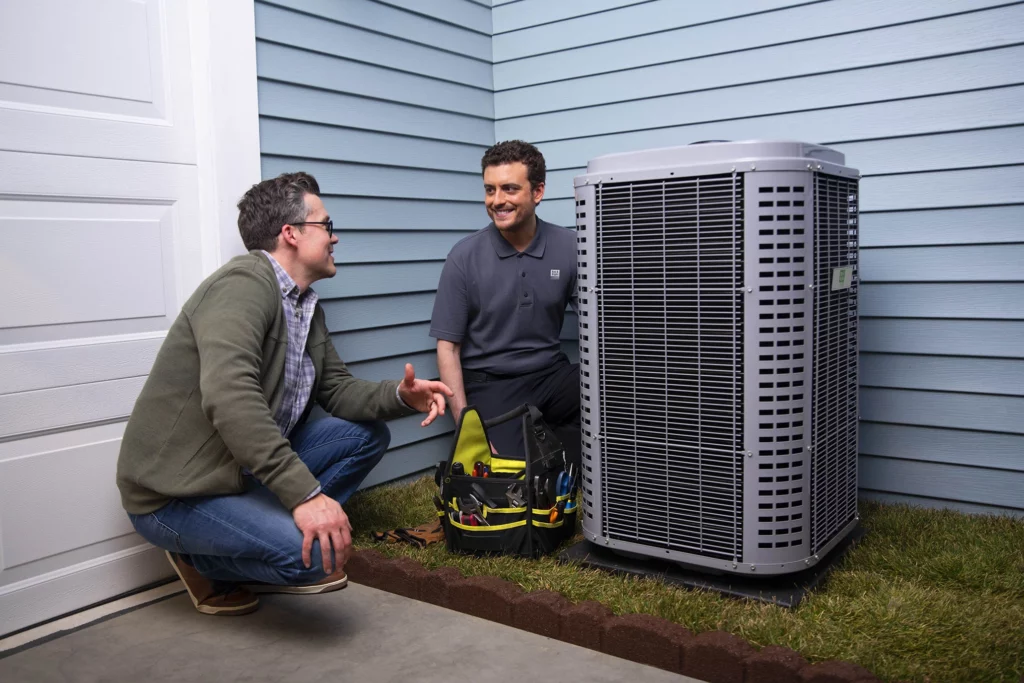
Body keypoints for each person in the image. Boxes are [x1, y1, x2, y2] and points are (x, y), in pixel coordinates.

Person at [116, 172, 452, 616]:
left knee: (365, 436)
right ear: (290, 234)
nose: (335, 238)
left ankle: (259, 531)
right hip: (176, 494)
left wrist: (399, 396)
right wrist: (307, 498)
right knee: (316, 559)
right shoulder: (242, 285)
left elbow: (337, 389)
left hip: (237, 473)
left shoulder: (305, 305)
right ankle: (200, 560)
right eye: (326, 226)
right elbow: (230, 397)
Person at [430, 140, 580, 467]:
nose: (498, 201)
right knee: (508, 474)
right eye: (490, 190)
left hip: (551, 375)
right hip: (493, 385)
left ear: (537, 192)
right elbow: (448, 348)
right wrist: (468, 430)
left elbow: (599, 320)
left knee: (618, 392)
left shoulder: (569, 246)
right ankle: (547, 454)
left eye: (509, 189)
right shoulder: (463, 257)